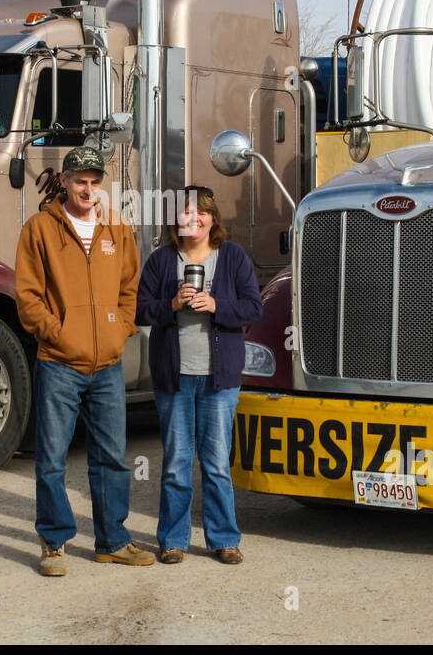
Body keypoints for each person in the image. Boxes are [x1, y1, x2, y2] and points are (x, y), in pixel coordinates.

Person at [15, 145, 155, 576]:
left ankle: (112, 540)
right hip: (59, 362)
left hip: (108, 363)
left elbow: (130, 288)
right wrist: (56, 332)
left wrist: (120, 329)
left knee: (112, 457)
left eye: (95, 182)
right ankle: (54, 543)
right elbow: (27, 296)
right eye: (80, 181)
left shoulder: (118, 229)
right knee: (53, 458)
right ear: (66, 182)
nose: (88, 189)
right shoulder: (39, 229)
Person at [135, 185, 263, 564]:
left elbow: (254, 307)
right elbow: (140, 310)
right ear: (176, 219)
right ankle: (172, 539)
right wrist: (171, 304)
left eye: (201, 213)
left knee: (217, 463)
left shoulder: (233, 258)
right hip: (174, 377)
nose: (194, 219)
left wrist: (217, 305)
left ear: (212, 219)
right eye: (186, 213)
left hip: (219, 379)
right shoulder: (161, 261)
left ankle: (223, 538)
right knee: (176, 463)